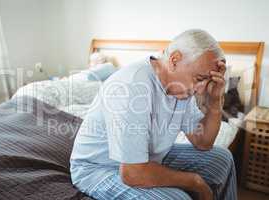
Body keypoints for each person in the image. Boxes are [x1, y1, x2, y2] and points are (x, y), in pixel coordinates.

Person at [70, 29, 237, 200]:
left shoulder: (182, 88)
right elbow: (132, 173)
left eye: (207, 81)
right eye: (199, 78)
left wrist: (215, 99)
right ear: (174, 60)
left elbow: (203, 143)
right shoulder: (132, 86)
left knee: (222, 159)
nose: (201, 89)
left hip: (147, 157)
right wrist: (196, 182)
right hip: (99, 168)